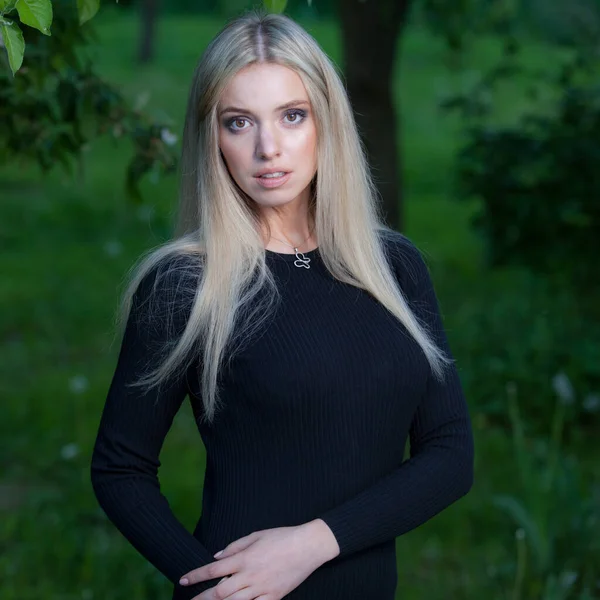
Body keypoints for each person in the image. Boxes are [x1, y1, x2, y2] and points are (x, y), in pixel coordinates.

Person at [90, 9, 474, 600]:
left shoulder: (394, 267)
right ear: (211, 137)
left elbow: (450, 454)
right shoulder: (185, 284)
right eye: (238, 122)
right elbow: (121, 468)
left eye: (291, 116)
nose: (268, 148)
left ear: (327, 120)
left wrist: (314, 542)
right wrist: (215, 586)